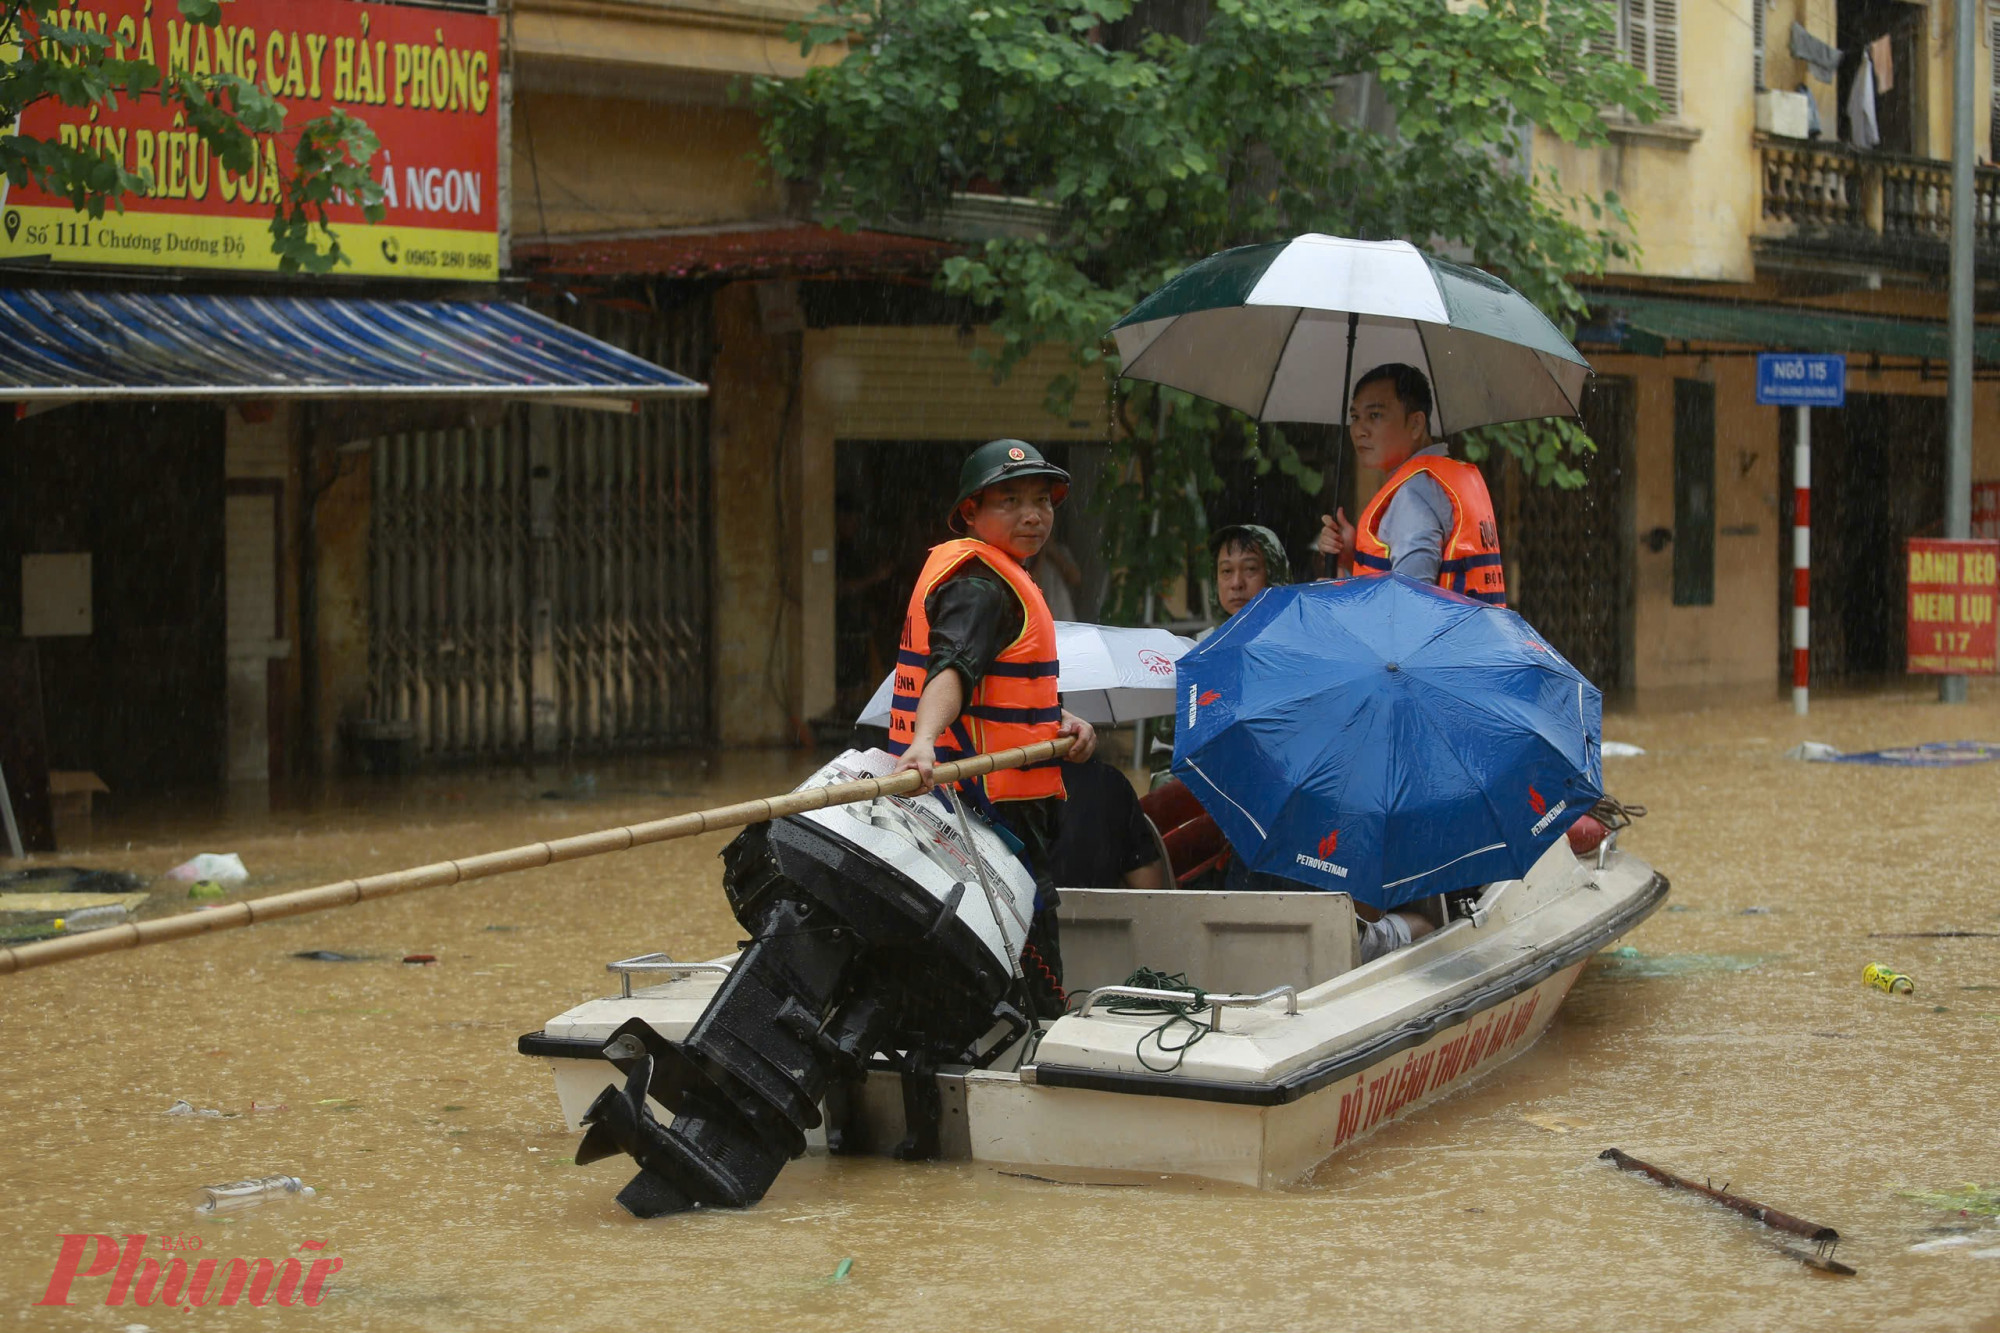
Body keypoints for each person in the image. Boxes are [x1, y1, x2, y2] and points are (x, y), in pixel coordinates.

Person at [888, 439, 1098, 1015]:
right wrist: (924, 742)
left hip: (988, 799)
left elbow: (994, 695)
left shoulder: (998, 579)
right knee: (1029, 945)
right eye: (1011, 501)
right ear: (972, 514)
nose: (1033, 514)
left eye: (1042, 501)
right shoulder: (982, 587)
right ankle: (1041, 1043)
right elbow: (952, 669)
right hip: (982, 806)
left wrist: (1059, 724)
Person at [1313, 363, 1507, 607]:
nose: (1359, 430)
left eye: (1375, 415)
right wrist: (1353, 555)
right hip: (1470, 641)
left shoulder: (1413, 494)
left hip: (1435, 645)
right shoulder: (1450, 478)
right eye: (1355, 417)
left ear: (1416, 424)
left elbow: (1409, 607)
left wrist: (1339, 595)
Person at [1043, 757, 1167, 890]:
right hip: (1088, 907)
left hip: (1031, 904)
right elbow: (1148, 888)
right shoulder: (1109, 782)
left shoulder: (1110, 783)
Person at [1200, 523, 1291, 640]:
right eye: (1227, 571)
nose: (1236, 583)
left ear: (1274, 575)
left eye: (1250, 568)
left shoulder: (1296, 642)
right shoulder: (1200, 647)